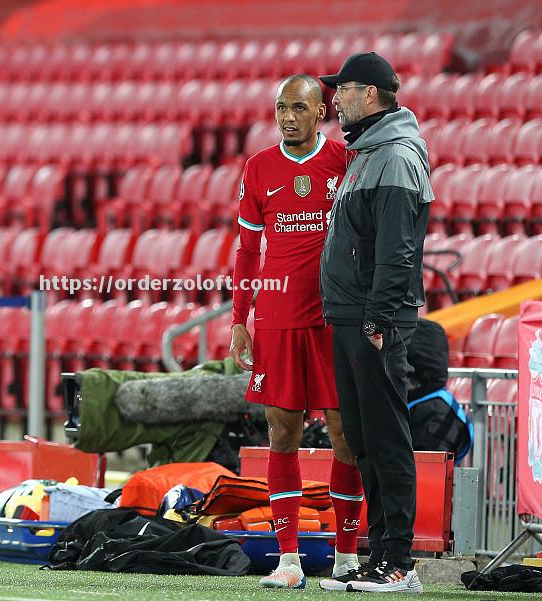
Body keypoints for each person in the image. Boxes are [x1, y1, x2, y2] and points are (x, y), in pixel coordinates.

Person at [230, 75, 364, 590]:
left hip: (335, 317)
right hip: (279, 320)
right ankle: (289, 560)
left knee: (344, 436)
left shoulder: (344, 163)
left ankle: (347, 558)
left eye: (299, 108)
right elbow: (246, 253)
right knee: (280, 433)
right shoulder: (258, 168)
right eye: (281, 107)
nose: (289, 117)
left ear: (321, 111)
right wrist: (240, 319)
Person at [318, 52, 433, 594]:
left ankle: (401, 562)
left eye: (341, 89)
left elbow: (398, 250)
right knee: (364, 441)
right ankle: (381, 554)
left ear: (370, 94)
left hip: (373, 319)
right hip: (350, 315)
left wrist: (379, 319)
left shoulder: (394, 156)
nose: (333, 99)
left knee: (387, 439)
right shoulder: (366, 153)